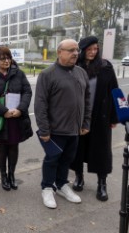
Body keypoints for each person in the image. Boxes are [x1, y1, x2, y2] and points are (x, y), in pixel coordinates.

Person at [34, 39, 92, 209]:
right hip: (54, 130)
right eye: (71, 50)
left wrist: (86, 122)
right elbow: (40, 105)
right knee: (52, 159)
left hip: (75, 129)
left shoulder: (81, 73)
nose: (75, 53)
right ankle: (46, 187)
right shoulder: (47, 74)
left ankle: (61, 185)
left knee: (67, 159)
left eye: (77, 50)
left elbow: (87, 100)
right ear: (59, 52)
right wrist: (44, 129)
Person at [70, 36, 118, 201]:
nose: (92, 52)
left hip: (101, 116)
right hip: (80, 116)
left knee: (101, 151)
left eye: (95, 49)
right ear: (82, 51)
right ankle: (79, 177)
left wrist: (114, 117)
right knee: (78, 148)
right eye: (89, 49)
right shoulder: (75, 67)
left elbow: (115, 92)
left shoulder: (105, 67)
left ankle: (102, 184)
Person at [0, 46, 33, 191]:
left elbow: (27, 92)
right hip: (1, 117)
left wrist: (20, 109)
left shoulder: (19, 74)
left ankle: (12, 175)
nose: (6, 61)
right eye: (2, 58)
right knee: (1, 147)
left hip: (16, 117)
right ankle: (3, 176)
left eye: (8, 57)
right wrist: (3, 111)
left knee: (14, 146)